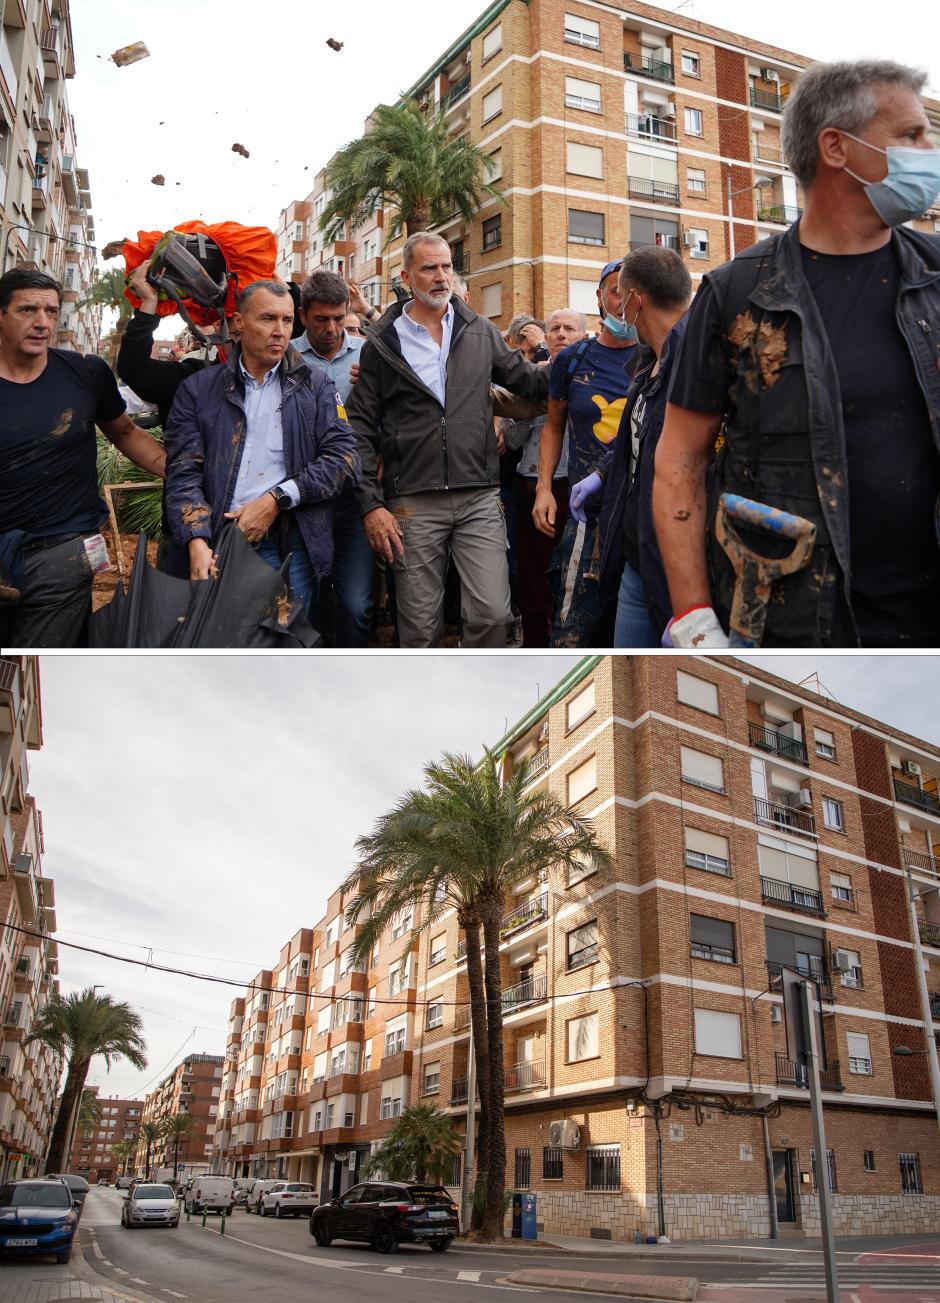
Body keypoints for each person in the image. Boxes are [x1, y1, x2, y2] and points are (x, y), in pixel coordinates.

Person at [654, 59, 940, 649]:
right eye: (911, 134)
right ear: (836, 146)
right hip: (792, 619)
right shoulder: (737, 293)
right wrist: (693, 617)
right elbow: (679, 462)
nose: (929, 149)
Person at [345, 231, 549, 648]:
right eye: (429, 268)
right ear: (406, 276)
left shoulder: (479, 331)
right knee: (419, 630)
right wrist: (371, 506)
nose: (441, 277)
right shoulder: (383, 344)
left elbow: (525, 381)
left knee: (493, 616)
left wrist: (577, 362)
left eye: (447, 267)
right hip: (411, 502)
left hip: (478, 496)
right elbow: (359, 429)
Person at [163, 280, 360, 625]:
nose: (280, 332)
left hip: (290, 541)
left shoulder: (315, 386)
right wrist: (196, 538)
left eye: (286, 321)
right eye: (268, 319)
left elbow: (344, 458)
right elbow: (183, 472)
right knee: (217, 640)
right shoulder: (198, 390)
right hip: (217, 539)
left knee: (287, 642)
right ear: (238, 323)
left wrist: (276, 499)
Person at [0, 268, 166, 647]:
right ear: (1, 315)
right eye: (28, 310)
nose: (43, 323)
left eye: (52, 312)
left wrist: (182, 474)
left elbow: (125, 432)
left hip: (65, 551)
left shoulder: (84, 373)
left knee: (41, 660)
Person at [569, 249, 692, 647]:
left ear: (636, 301)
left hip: (679, 569)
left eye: (622, 299)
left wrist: (695, 604)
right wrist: (603, 473)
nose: (619, 311)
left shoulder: (695, 365)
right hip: (635, 557)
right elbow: (638, 437)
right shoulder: (646, 363)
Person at [532, 259, 640, 646]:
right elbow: (553, 425)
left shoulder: (659, 359)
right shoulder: (572, 360)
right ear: (599, 296)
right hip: (585, 521)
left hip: (641, 516)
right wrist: (544, 487)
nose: (622, 300)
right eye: (615, 290)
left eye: (631, 291)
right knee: (572, 630)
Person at [291, 270, 375, 647]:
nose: (332, 328)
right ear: (302, 313)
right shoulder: (285, 357)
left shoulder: (369, 357)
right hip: (303, 502)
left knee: (357, 605)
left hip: (357, 498)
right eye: (321, 319)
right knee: (301, 605)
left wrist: (373, 386)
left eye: (339, 318)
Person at [500, 307, 586, 645]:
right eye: (555, 328)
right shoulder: (531, 378)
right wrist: (525, 407)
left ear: (583, 336)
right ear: (545, 338)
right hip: (530, 486)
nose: (561, 334)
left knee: (570, 576)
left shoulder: (589, 378)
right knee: (532, 579)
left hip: (575, 489)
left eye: (569, 328)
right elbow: (514, 441)